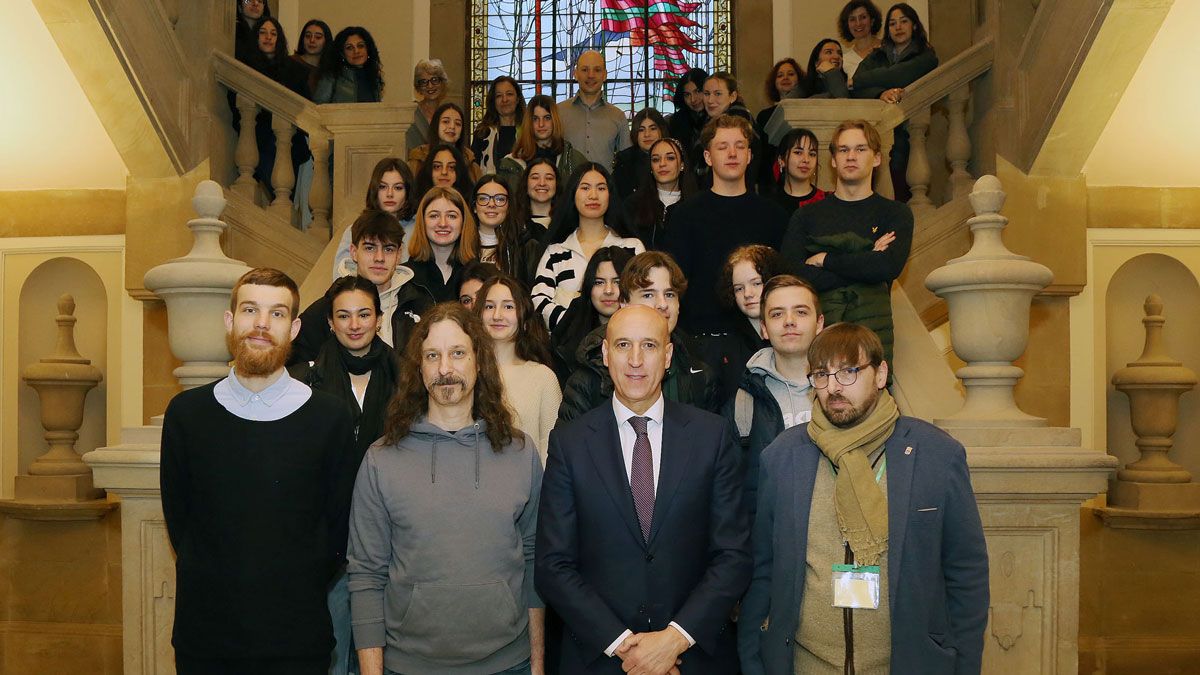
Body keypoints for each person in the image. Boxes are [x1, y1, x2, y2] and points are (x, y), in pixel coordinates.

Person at [738, 323, 989, 675]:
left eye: (849, 371)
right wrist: (753, 659)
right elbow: (762, 570)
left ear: (881, 373)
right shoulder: (783, 457)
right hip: (806, 665)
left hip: (905, 664)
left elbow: (966, 573)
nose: (834, 387)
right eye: (822, 375)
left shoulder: (936, 455)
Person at [536, 303, 751, 674]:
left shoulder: (711, 435)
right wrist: (625, 647)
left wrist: (674, 640)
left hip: (691, 658)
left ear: (667, 355)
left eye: (649, 346)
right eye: (623, 345)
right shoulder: (569, 443)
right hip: (601, 660)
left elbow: (733, 555)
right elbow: (553, 565)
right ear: (605, 353)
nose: (635, 360)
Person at [161, 267, 356, 675]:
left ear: (295, 328)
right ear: (230, 321)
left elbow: (338, 530)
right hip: (207, 639)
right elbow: (181, 522)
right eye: (250, 310)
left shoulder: (331, 417)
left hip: (297, 639)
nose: (262, 324)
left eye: (278, 314)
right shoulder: (187, 415)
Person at [348, 303, 544, 675]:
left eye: (457, 354)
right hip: (408, 666)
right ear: (418, 369)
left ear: (478, 362)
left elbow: (534, 561)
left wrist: (537, 666)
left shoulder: (520, 453)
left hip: (508, 664)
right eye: (432, 356)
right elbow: (366, 576)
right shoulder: (381, 459)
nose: (445, 369)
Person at [287, 275, 400, 675]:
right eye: (344, 315)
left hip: (391, 536)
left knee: (385, 654)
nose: (354, 324)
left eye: (364, 314)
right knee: (332, 653)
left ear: (379, 319)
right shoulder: (302, 381)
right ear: (330, 323)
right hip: (327, 540)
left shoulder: (407, 378)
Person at [663, 114, 787, 378]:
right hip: (702, 342)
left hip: (761, 342)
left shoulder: (774, 215)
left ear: (750, 155)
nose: (732, 153)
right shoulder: (684, 216)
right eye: (722, 147)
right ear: (708, 157)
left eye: (740, 146)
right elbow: (674, 284)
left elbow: (782, 283)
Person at [781, 119, 912, 370]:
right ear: (833, 160)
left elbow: (888, 266)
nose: (851, 156)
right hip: (816, 340)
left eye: (860, 149)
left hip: (873, 341)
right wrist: (866, 259)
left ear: (876, 158)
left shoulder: (895, 213)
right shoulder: (807, 215)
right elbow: (792, 273)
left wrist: (825, 260)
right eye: (843, 150)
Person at [558, 251, 720, 422]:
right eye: (648, 294)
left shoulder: (701, 375)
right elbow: (570, 444)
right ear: (624, 304)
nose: (663, 304)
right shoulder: (589, 378)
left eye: (670, 294)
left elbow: (711, 443)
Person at [722, 274, 822, 518]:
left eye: (800, 312)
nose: (789, 321)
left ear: (819, 324)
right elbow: (731, 491)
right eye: (777, 314)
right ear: (764, 329)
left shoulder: (846, 389)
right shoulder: (743, 401)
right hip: (772, 542)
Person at [294, 210, 435, 366]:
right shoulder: (326, 308)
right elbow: (296, 368)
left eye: (388, 249)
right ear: (354, 252)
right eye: (370, 248)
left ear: (399, 254)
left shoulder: (420, 304)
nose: (379, 258)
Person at [531, 163, 644, 330]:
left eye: (601, 188)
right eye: (585, 188)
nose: (593, 195)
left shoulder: (632, 247)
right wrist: (581, 326)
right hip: (566, 349)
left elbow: (643, 297)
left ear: (610, 195)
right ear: (573, 195)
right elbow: (539, 301)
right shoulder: (555, 252)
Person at [852, 3, 938, 202]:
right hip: (874, 132)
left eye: (903, 22)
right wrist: (880, 93)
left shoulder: (925, 56)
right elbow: (856, 85)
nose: (898, 27)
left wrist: (868, 80)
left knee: (898, 192)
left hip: (905, 135)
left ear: (914, 26)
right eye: (892, 24)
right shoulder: (877, 55)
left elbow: (899, 75)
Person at [476, 274, 562, 462]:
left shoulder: (543, 378)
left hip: (527, 487)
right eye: (489, 306)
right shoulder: (465, 374)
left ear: (524, 318)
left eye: (508, 306)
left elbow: (551, 451)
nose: (497, 315)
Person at [234, 17, 311, 197]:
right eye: (263, 33)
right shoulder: (245, 67)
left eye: (273, 33)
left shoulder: (294, 70)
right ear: (255, 37)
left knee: (285, 194)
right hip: (259, 138)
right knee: (277, 191)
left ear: (279, 38)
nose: (268, 37)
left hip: (290, 141)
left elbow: (305, 106)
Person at [549, 245, 635, 383]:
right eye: (599, 282)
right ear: (589, 287)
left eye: (617, 282)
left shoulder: (644, 331)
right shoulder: (568, 332)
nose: (608, 290)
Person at [716, 245, 783, 398]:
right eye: (739, 288)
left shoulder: (794, 332)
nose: (747, 294)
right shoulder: (726, 347)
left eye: (756, 283)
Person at [333, 158, 418, 276]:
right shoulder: (355, 230)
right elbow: (340, 277)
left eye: (398, 188)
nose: (390, 194)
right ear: (374, 190)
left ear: (408, 192)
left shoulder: (419, 230)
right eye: (382, 187)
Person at [404, 186, 480, 303]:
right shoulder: (405, 276)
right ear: (422, 222)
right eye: (434, 216)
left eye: (452, 216)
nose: (443, 223)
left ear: (463, 222)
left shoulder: (477, 274)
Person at [557, 50, 631, 169]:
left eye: (597, 70)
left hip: (606, 186)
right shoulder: (558, 112)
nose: (591, 75)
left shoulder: (618, 116)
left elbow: (627, 162)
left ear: (605, 75)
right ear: (575, 74)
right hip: (568, 187)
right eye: (585, 70)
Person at [497, 94, 588, 188]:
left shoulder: (574, 161)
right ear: (529, 122)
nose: (541, 124)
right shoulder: (510, 164)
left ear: (555, 120)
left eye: (547, 118)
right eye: (535, 119)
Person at [624, 137, 698, 250]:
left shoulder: (696, 205)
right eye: (655, 159)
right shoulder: (633, 205)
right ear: (650, 167)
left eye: (670, 158)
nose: (662, 164)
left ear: (682, 164)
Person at [473, 175, 543, 284]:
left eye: (500, 199)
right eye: (483, 198)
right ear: (474, 207)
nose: (491, 204)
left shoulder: (525, 245)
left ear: (508, 207)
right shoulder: (461, 244)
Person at [408, 102, 481, 179]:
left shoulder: (471, 166)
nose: (452, 127)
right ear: (436, 125)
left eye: (458, 124)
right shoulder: (419, 160)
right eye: (446, 122)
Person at [313, 27, 384, 103]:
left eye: (360, 46)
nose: (356, 51)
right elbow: (319, 108)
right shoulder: (332, 76)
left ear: (368, 49)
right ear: (342, 54)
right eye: (349, 48)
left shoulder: (373, 77)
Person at [472, 75, 526, 173]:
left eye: (509, 94)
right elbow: (474, 169)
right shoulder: (483, 133)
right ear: (493, 102)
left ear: (517, 99)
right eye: (499, 96)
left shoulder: (528, 132)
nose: (504, 100)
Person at [768, 128, 828, 213]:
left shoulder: (826, 202)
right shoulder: (768, 205)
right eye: (798, 152)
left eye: (812, 154)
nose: (806, 160)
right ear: (781, 160)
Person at [612, 108, 666, 199]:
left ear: (662, 130)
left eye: (653, 128)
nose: (647, 134)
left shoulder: (674, 156)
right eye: (641, 130)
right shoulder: (624, 162)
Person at [404, 59, 449, 153]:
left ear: (442, 83)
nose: (430, 86)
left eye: (435, 80)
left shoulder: (448, 114)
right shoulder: (411, 113)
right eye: (424, 82)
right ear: (418, 87)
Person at [667, 67, 708, 156]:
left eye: (697, 91)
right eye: (687, 95)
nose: (693, 99)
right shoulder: (675, 122)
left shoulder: (719, 118)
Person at [838, 0, 884, 79]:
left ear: (872, 20)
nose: (858, 23)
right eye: (852, 19)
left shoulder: (888, 47)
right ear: (847, 25)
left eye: (863, 17)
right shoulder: (844, 61)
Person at [513, 156, 559, 234]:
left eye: (549, 178)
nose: (542, 183)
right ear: (525, 183)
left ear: (557, 185)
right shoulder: (512, 225)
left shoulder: (568, 225)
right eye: (535, 177)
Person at [756, 58, 804, 129]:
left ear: (799, 79)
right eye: (780, 75)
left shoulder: (806, 109)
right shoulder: (764, 116)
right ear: (774, 82)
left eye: (790, 74)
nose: (785, 78)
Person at [291, 19, 331, 94]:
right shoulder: (290, 62)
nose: (312, 40)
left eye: (318, 37)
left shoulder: (330, 69)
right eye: (308, 36)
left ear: (326, 41)